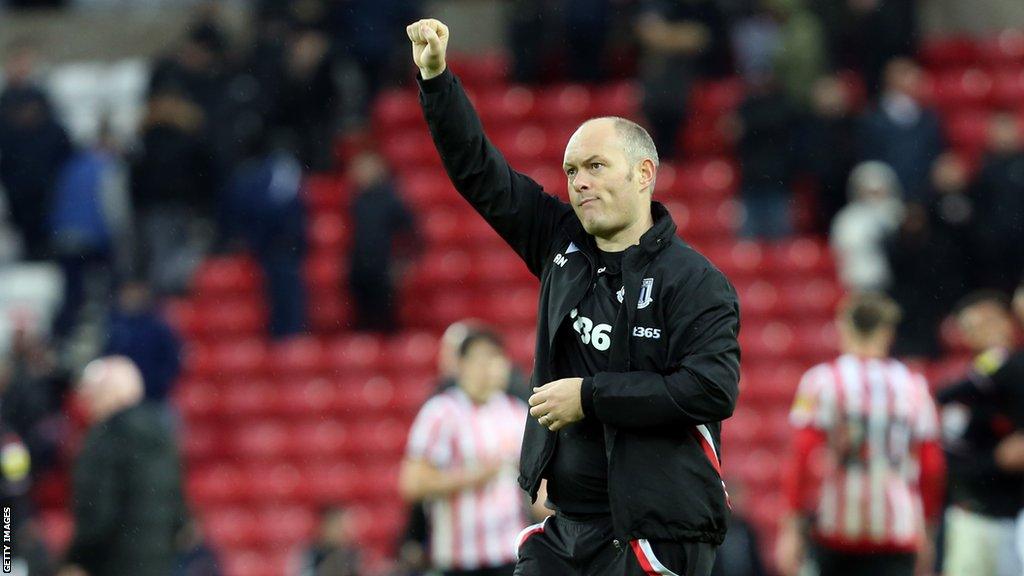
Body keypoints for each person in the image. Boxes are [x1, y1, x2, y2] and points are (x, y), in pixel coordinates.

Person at [407, 19, 740, 576]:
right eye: (570, 170)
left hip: (656, 533)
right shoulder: (560, 242)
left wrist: (590, 397)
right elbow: (479, 174)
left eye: (595, 166)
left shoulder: (695, 281)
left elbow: (710, 389)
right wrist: (437, 80)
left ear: (644, 173)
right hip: (569, 529)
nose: (578, 181)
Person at [776, 292, 945, 576]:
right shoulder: (914, 385)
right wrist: (927, 530)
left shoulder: (822, 381)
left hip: (836, 527)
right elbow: (931, 465)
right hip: (896, 528)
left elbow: (803, 455)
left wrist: (792, 526)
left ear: (844, 326)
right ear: (887, 331)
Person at [399, 329, 530, 575]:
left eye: (494, 358)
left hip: (509, 554)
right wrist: (473, 477)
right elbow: (412, 483)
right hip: (459, 560)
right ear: (460, 366)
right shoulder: (441, 413)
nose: (487, 368)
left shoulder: (517, 413)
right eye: (478, 359)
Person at [59, 356, 188, 576]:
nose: (88, 402)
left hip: (112, 564)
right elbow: (178, 512)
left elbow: (97, 513)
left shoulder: (106, 437)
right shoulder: (162, 436)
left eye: (93, 394)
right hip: (157, 564)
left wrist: (77, 559)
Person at [935, 291, 1024, 576]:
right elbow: (951, 463)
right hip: (977, 519)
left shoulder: (1015, 372)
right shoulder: (966, 395)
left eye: (993, 321)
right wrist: (995, 461)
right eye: (976, 327)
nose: (989, 332)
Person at [0, 39, 73, 261]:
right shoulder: (5, 102)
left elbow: (61, 141)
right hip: (18, 183)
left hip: (44, 182)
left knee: (45, 232)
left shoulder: (43, 99)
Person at [635, 0, 729, 159]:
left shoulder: (708, 7)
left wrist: (666, 35)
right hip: (660, 95)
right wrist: (683, 36)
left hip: (700, 85)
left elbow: (701, 38)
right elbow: (649, 33)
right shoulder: (657, 4)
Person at [347, 151, 418, 333]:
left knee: (385, 323)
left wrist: (402, 263)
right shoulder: (357, 200)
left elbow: (413, 235)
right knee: (362, 324)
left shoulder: (391, 199)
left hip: (382, 271)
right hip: (359, 270)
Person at [857, 58, 944, 203]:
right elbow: (868, 160)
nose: (917, 79)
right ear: (891, 80)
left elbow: (936, 156)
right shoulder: (872, 120)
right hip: (884, 198)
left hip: (923, 198)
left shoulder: (929, 119)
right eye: (909, 75)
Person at [103, 281, 183, 405]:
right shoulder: (113, 325)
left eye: (135, 292)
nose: (131, 296)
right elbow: (107, 358)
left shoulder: (158, 326)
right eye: (128, 292)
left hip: (152, 399)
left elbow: (172, 361)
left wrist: (155, 386)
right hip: (119, 402)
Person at [830, 161, 904, 292]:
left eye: (878, 192)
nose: (873, 197)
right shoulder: (847, 218)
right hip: (856, 285)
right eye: (869, 192)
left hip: (895, 284)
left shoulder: (899, 214)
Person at [295, 506, 362, 576]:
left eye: (341, 525)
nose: (338, 530)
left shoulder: (353, 553)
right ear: (323, 526)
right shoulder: (311, 553)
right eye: (334, 525)